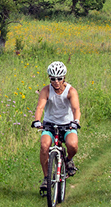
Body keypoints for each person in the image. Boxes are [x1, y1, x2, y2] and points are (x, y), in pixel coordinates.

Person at [31, 61, 81, 191]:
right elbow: (40, 107)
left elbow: (76, 108)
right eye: (53, 79)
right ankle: (47, 178)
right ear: (49, 78)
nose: (56, 82)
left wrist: (76, 121)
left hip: (67, 125)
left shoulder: (71, 91)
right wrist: (37, 120)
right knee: (44, 146)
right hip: (50, 124)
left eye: (59, 78)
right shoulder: (46, 90)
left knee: (73, 145)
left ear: (64, 78)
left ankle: (68, 159)